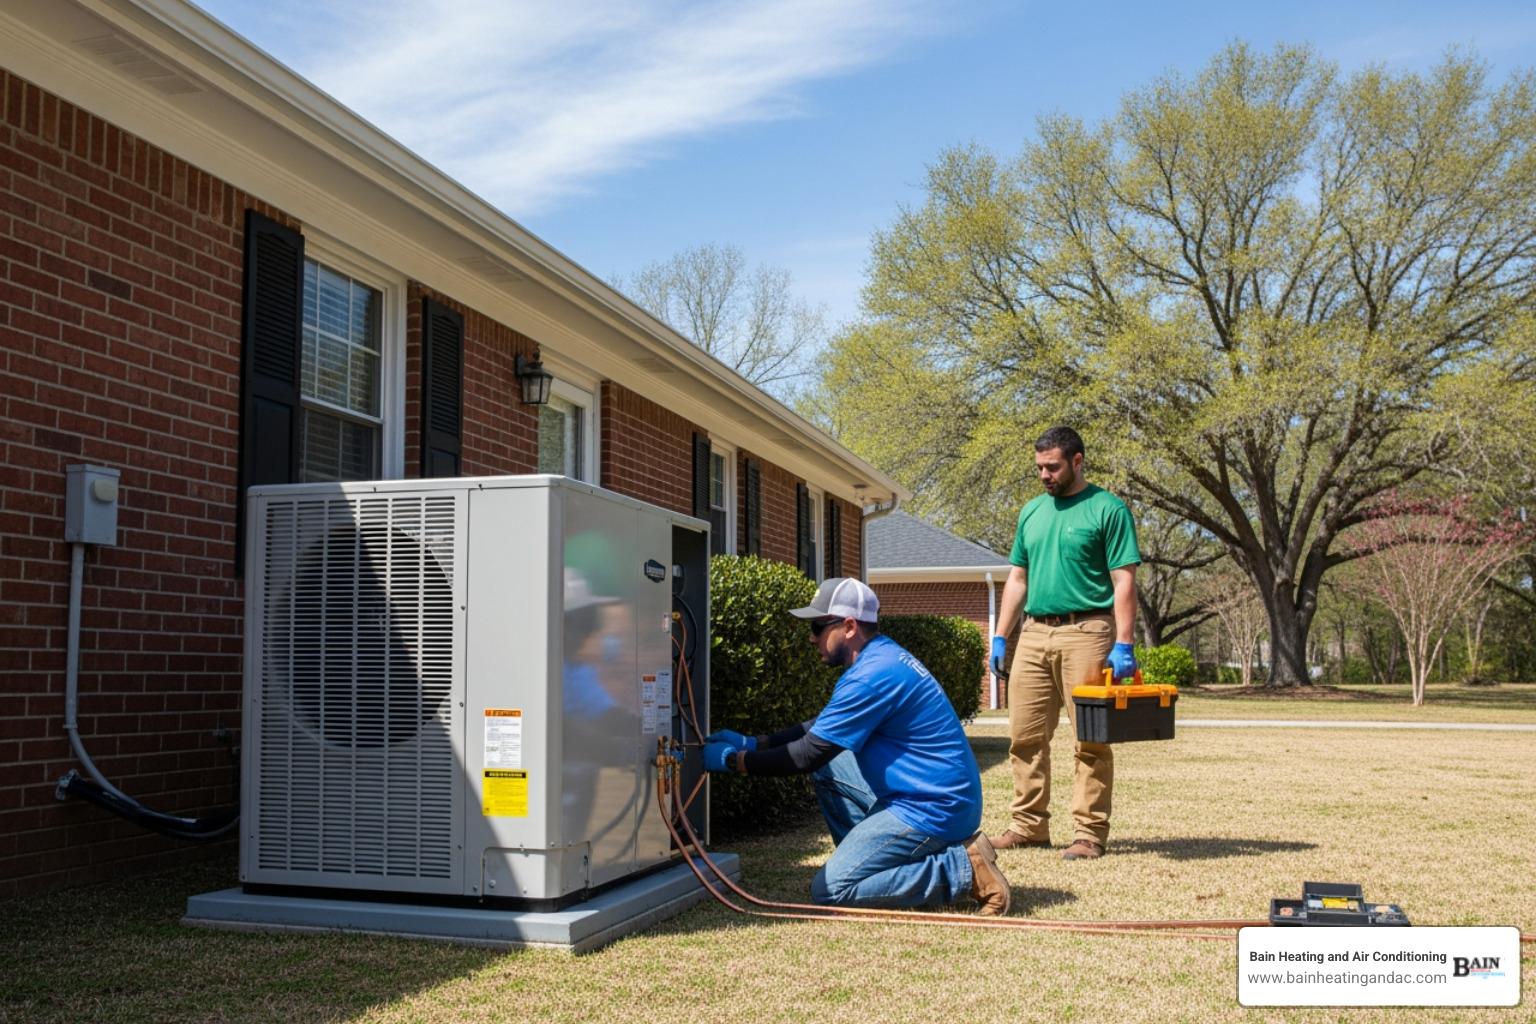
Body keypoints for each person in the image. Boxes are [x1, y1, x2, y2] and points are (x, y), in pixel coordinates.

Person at [702, 577, 1011, 915]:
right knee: (832, 760)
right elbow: (820, 731)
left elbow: (806, 755)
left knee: (833, 889)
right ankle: (870, 861)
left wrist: (737, 761)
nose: (812, 636)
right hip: (928, 794)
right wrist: (755, 743)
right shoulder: (882, 656)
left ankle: (964, 871)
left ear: (848, 626)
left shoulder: (872, 676)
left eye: (819, 626)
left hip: (933, 808)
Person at [989, 426, 1141, 860]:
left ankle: (1089, 833)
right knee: (1024, 736)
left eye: (1052, 466)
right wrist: (1001, 635)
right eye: (1039, 467)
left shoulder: (1107, 509)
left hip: (1088, 632)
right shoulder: (1031, 513)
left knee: (1090, 739)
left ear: (1077, 461)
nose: (1044, 475)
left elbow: (1123, 579)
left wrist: (1124, 642)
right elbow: (1018, 578)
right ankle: (1028, 825)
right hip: (1034, 632)